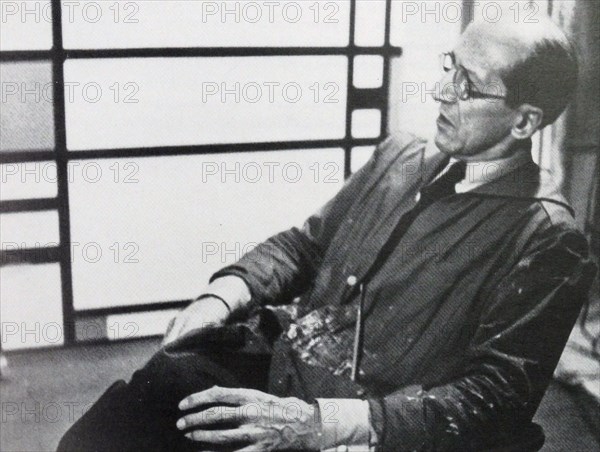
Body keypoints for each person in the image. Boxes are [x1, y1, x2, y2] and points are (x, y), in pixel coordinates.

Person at [59, 17, 596, 452]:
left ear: (524, 123)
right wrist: (221, 294)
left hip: (368, 425)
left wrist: (317, 426)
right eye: (448, 68)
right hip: (285, 366)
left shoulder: (547, 238)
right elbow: (306, 245)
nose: (440, 91)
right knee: (123, 417)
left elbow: (490, 401)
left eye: (467, 85)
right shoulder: (403, 155)